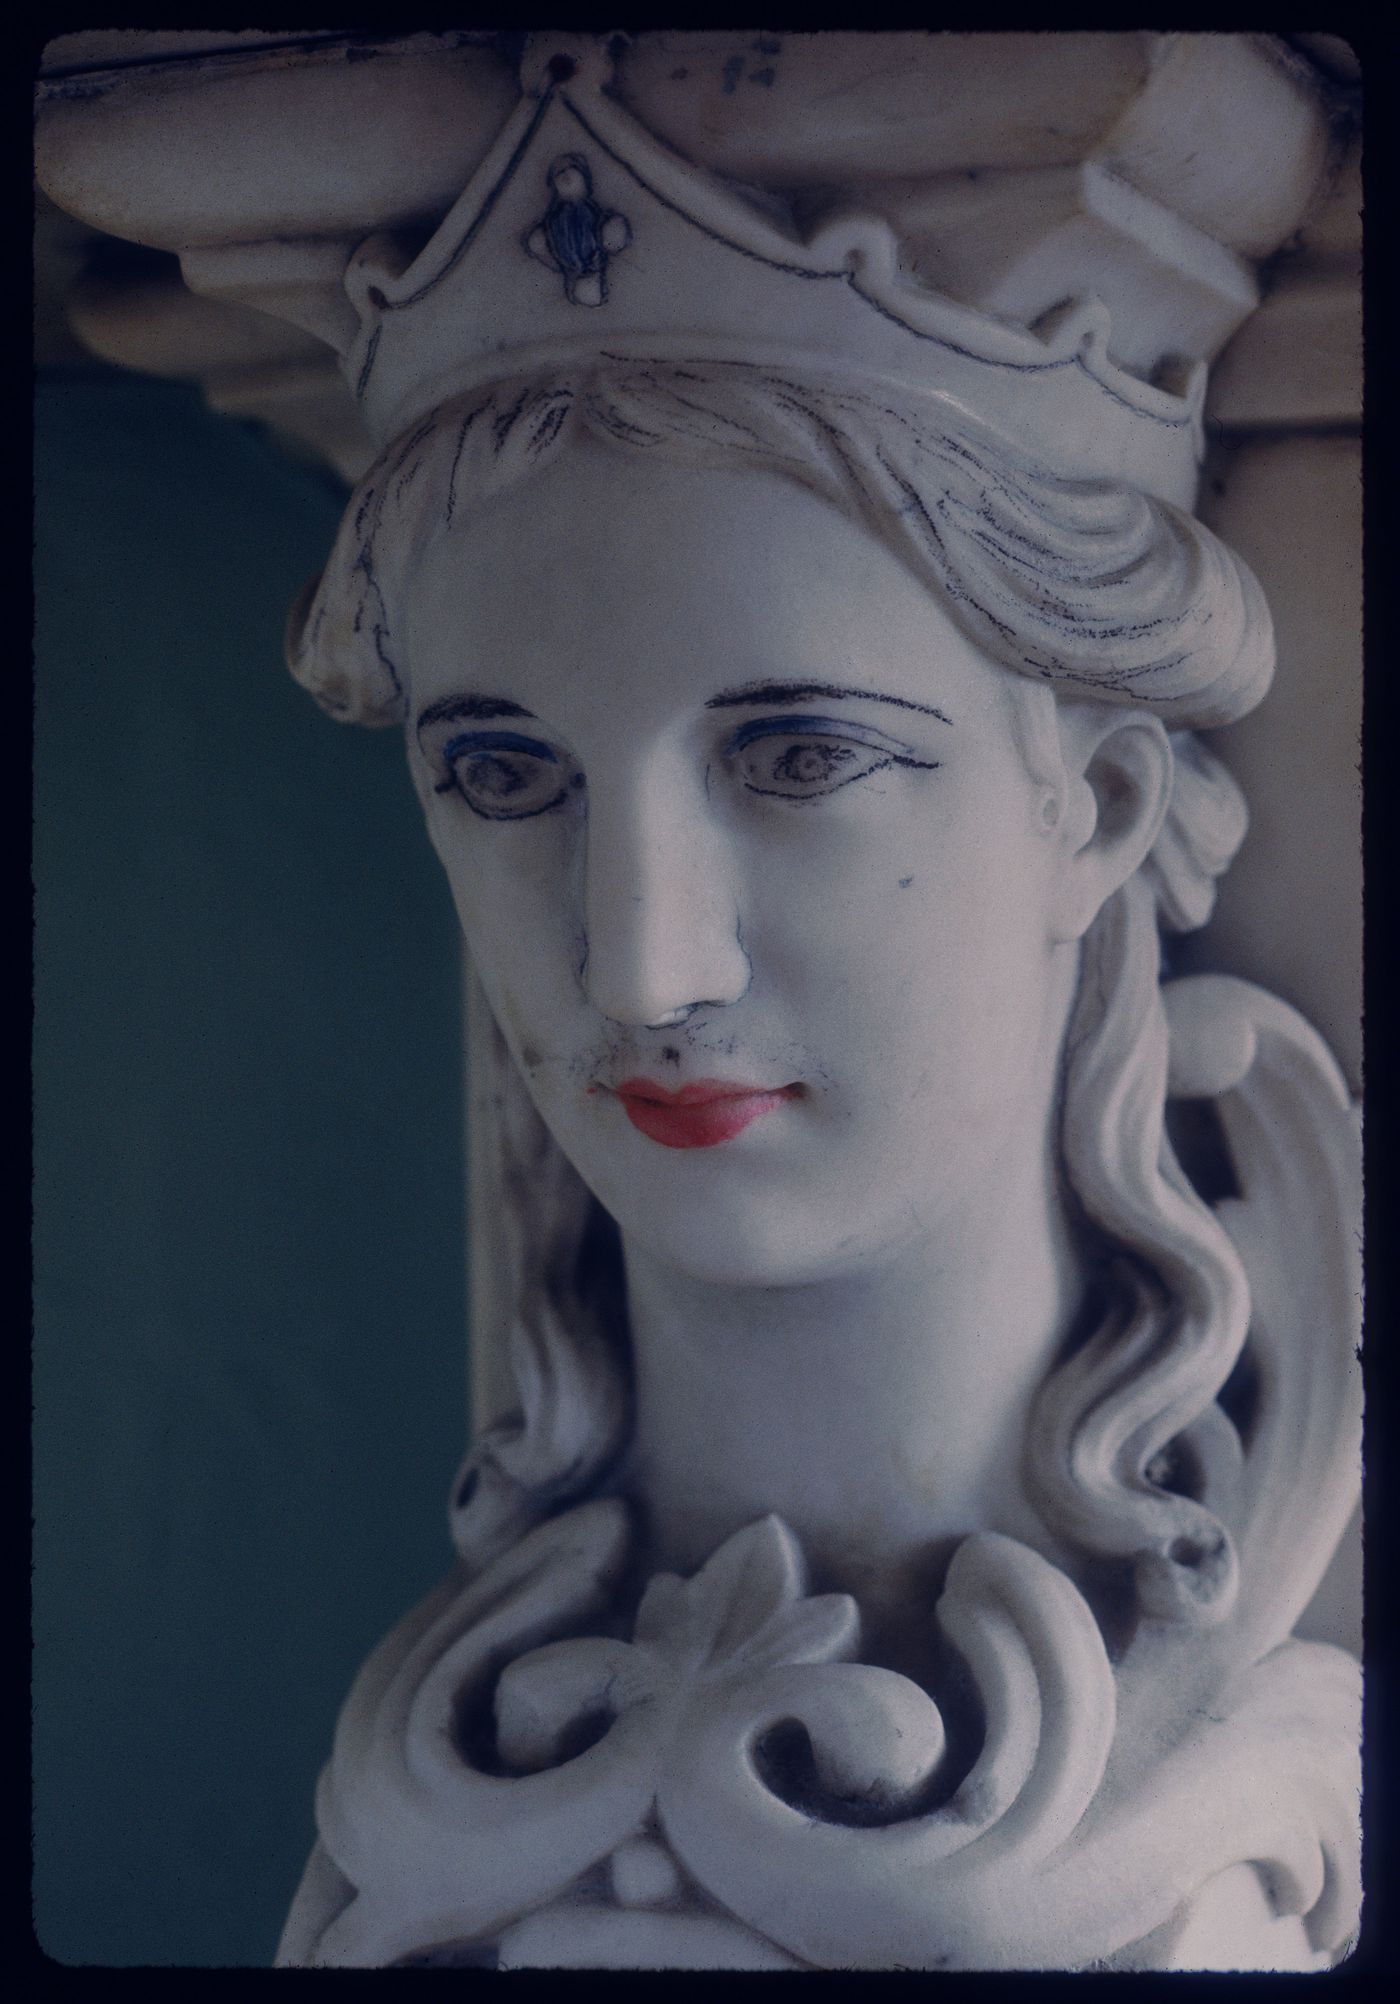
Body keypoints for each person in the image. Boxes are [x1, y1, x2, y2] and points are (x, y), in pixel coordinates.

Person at [280, 360, 1358, 1968]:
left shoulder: (1197, 1855)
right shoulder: (433, 1784)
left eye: (799, 760)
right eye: (508, 778)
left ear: (1103, 808)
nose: (644, 971)